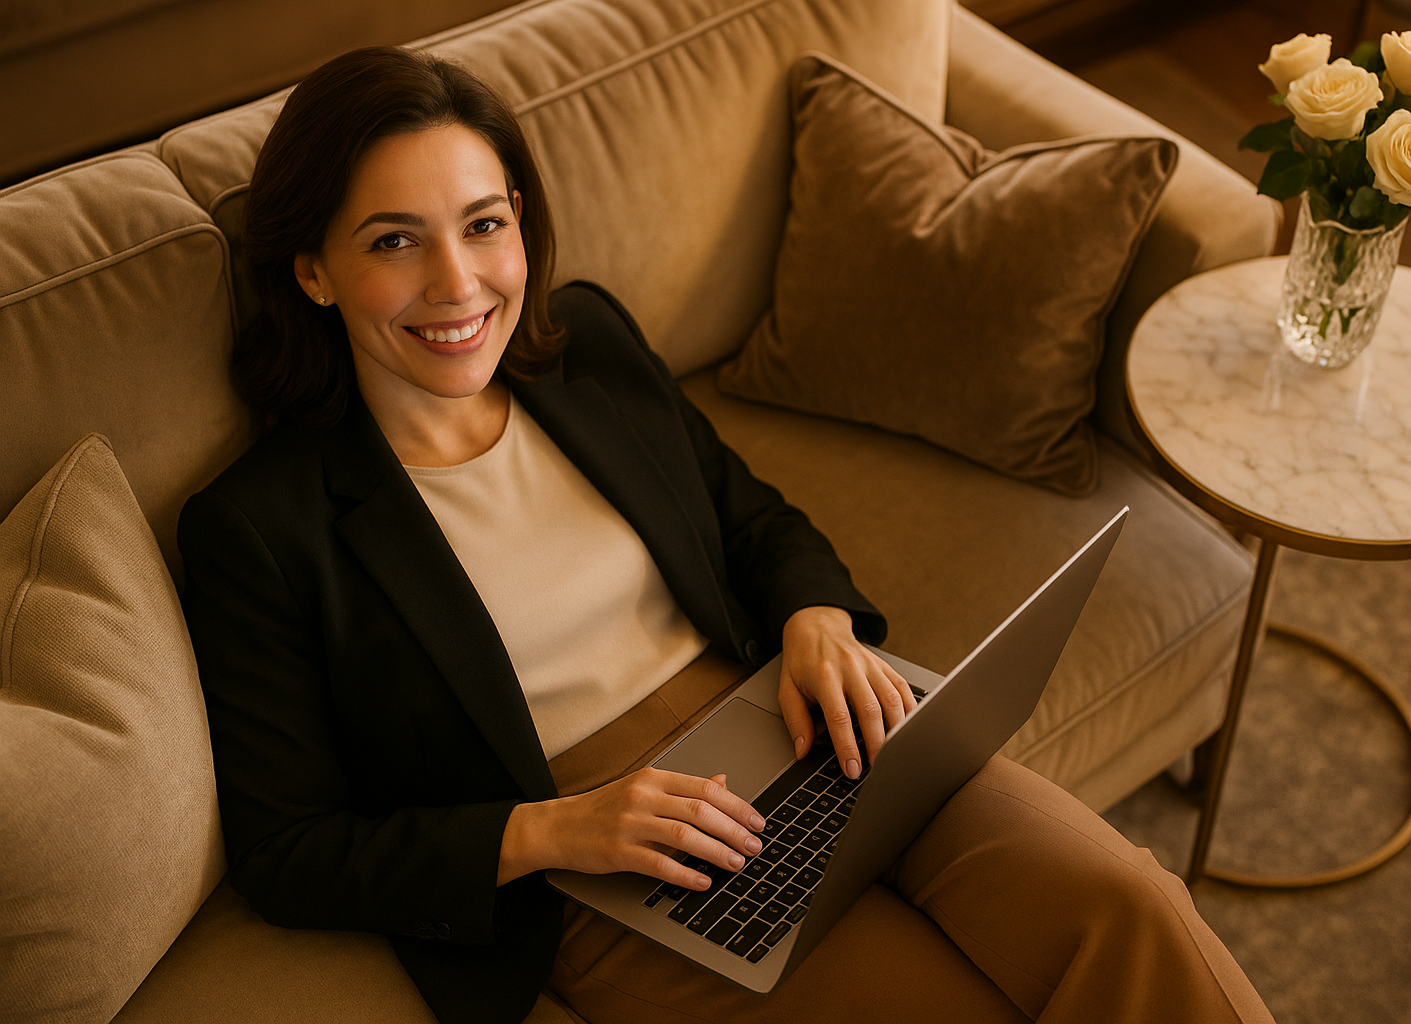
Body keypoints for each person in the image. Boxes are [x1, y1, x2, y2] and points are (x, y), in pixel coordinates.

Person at [178, 45, 1276, 1024]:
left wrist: (816, 618)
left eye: (483, 224)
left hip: (795, 718)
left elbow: (751, 517)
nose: (458, 284)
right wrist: (555, 831)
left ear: (520, 217)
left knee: (1128, 908)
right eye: (392, 242)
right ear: (313, 272)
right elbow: (287, 851)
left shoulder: (589, 349)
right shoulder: (258, 529)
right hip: (602, 854)